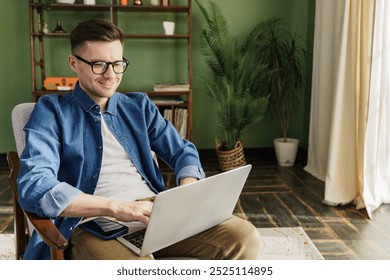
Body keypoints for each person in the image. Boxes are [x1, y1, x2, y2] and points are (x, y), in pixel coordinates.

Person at [17, 18, 261, 260]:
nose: (110, 74)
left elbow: (182, 151)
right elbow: (36, 185)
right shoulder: (51, 111)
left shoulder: (139, 106)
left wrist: (188, 190)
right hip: (94, 223)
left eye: (117, 63)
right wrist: (116, 207)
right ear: (73, 63)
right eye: (99, 64)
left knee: (243, 237)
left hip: (155, 212)